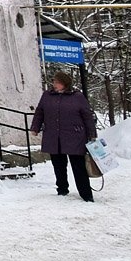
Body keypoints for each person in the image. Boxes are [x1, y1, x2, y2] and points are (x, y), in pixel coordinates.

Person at [30, 70, 97, 202]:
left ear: (65, 84)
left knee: (78, 166)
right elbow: (39, 112)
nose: (54, 84)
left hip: (75, 137)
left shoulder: (77, 97)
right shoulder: (47, 96)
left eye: (57, 82)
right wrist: (35, 128)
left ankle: (86, 194)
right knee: (58, 164)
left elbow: (87, 116)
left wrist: (92, 134)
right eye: (54, 81)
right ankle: (62, 188)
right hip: (54, 136)